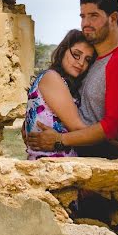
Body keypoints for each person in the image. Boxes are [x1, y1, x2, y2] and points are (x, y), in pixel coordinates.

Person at [26, 0, 118, 159]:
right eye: (82, 16)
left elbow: (115, 125)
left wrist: (60, 139)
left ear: (113, 18)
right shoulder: (95, 61)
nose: (86, 23)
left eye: (93, 16)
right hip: (80, 160)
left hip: (106, 162)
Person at [24, 29, 96, 160]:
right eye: (76, 54)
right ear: (63, 50)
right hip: (51, 169)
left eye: (88, 60)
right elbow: (77, 127)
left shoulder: (60, 82)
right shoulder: (52, 78)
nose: (81, 63)